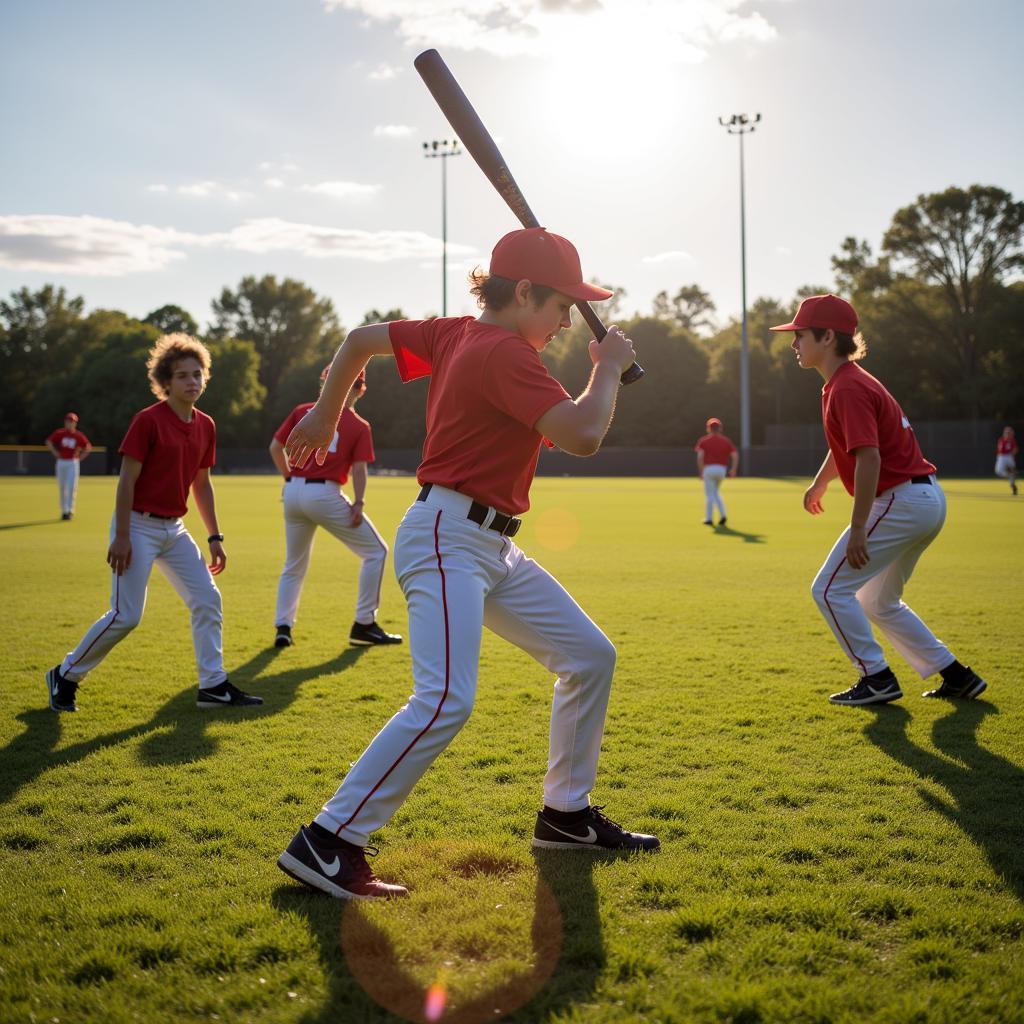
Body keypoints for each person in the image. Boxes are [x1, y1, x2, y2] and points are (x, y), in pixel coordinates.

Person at [276, 227, 659, 900]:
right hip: (450, 538)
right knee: (446, 697)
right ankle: (329, 841)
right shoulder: (505, 353)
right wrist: (605, 367)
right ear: (521, 293)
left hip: (489, 545)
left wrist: (329, 417)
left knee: (590, 656)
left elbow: (361, 338)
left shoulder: (456, 333)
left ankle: (565, 817)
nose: (569, 319)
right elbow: (583, 435)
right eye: (560, 305)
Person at [769, 294, 987, 707]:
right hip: (923, 499)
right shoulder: (847, 381)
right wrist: (820, 484)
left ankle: (877, 677)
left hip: (901, 499)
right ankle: (957, 675)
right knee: (877, 600)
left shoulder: (847, 387)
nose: (793, 343)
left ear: (827, 337)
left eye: (799, 335)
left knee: (829, 590)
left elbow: (869, 456)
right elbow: (846, 447)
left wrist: (857, 529)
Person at [45, 334, 262, 713]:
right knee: (126, 616)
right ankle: (65, 674)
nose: (192, 382)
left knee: (208, 599)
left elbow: (202, 483)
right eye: (182, 376)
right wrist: (123, 535)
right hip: (137, 527)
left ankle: (212, 686)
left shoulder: (206, 425)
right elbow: (126, 480)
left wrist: (214, 535)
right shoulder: (147, 421)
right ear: (166, 382)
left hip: (174, 529)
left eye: (197, 374)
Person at [268, 366, 401, 649]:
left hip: (293, 492)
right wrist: (359, 502)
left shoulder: (303, 410)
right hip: (324, 493)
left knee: (294, 564)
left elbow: (275, 448)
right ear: (360, 389)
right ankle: (364, 624)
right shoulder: (358, 425)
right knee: (376, 552)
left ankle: (283, 627)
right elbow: (360, 469)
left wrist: (290, 478)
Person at [46, 412, 92, 520]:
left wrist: (80, 458)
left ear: (75, 423)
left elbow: (88, 447)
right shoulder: (60, 433)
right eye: (68, 421)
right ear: (65, 422)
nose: (70, 424)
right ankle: (64, 510)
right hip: (61, 462)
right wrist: (55, 452)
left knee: (72, 487)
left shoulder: (78, 435)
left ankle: (70, 510)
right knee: (62, 487)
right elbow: (48, 441)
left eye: (72, 422)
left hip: (72, 462)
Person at [694, 417, 738, 525]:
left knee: (710, 494)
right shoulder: (726, 441)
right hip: (721, 469)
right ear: (720, 428)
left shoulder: (704, 441)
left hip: (709, 469)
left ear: (708, 428)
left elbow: (700, 457)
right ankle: (723, 515)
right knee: (715, 492)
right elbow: (735, 455)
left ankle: (709, 519)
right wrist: (733, 469)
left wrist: (701, 472)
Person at [995, 425, 1018, 496]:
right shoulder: (1001, 439)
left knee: (1012, 470)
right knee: (998, 472)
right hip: (1001, 456)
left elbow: (1015, 449)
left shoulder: (1013, 440)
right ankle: (1009, 475)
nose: (1008, 434)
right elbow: (999, 449)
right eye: (1006, 432)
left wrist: (1012, 454)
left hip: (1009, 456)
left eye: (1009, 432)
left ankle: (1013, 486)